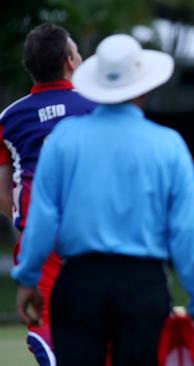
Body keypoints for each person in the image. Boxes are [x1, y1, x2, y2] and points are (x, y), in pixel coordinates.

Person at [11, 34, 194, 366]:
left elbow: (43, 217)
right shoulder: (168, 145)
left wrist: (29, 277)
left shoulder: (63, 139)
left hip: (78, 284)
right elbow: (187, 231)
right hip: (142, 286)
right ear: (145, 86)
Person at [0, 23, 95, 365]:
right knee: (99, 322)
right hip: (89, 230)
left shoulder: (9, 117)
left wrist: (20, 218)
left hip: (37, 232)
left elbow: (2, 182)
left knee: (44, 318)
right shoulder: (94, 106)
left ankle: (48, 345)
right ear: (70, 61)